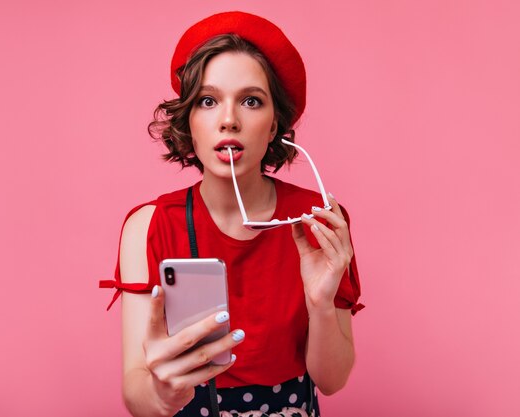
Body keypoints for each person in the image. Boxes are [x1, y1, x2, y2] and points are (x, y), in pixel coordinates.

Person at [100, 11, 364, 417]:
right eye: (208, 101)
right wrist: (163, 392)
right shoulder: (149, 226)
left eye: (251, 101)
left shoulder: (317, 220)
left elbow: (332, 380)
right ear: (189, 117)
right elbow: (137, 394)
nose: (228, 120)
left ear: (275, 122)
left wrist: (321, 303)